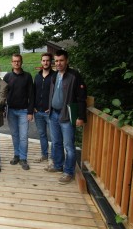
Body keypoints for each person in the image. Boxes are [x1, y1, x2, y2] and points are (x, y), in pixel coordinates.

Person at [45, 49, 87, 185]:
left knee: (68, 145)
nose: (58, 63)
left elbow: (82, 98)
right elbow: (53, 94)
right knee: (56, 142)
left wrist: (81, 117)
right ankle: (58, 165)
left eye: (61, 60)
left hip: (67, 116)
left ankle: (68, 172)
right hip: (54, 114)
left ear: (67, 60)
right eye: (56, 61)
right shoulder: (54, 75)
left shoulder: (74, 76)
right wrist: (50, 107)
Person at [3, 54, 34, 170]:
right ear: (11, 63)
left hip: (24, 111)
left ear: (21, 62)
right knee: (15, 135)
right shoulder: (7, 77)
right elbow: (2, 93)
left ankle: (23, 158)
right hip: (11, 111)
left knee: (23, 136)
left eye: (18, 61)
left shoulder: (27, 76)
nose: (16, 63)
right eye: (14, 61)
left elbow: (31, 95)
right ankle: (16, 155)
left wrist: (30, 112)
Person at [33, 53, 55, 163]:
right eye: (43, 60)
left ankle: (53, 158)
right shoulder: (37, 76)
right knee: (42, 135)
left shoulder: (55, 76)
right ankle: (44, 155)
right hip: (38, 112)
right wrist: (33, 107)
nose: (45, 62)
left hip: (50, 112)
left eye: (47, 60)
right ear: (41, 62)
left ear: (51, 62)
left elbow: (57, 94)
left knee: (54, 136)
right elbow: (33, 93)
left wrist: (52, 107)